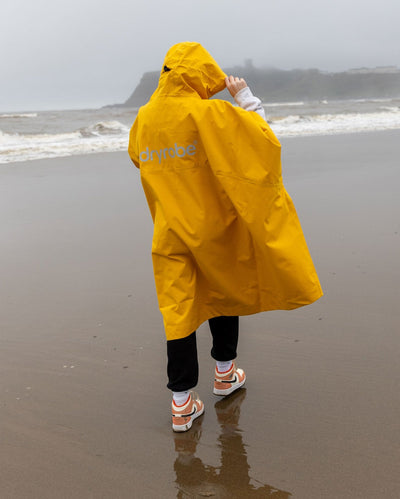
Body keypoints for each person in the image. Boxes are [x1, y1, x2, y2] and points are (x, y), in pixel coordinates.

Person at [128, 42, 323, 432]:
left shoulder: (144, 118)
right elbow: (262, 141)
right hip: (214, 226)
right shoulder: (209, 113)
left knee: (178, 309)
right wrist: (244, 97)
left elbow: (137, 156)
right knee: (223, 293)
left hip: (169, 230)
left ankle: (181, 403)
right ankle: (224, 373)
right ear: (199, 73)